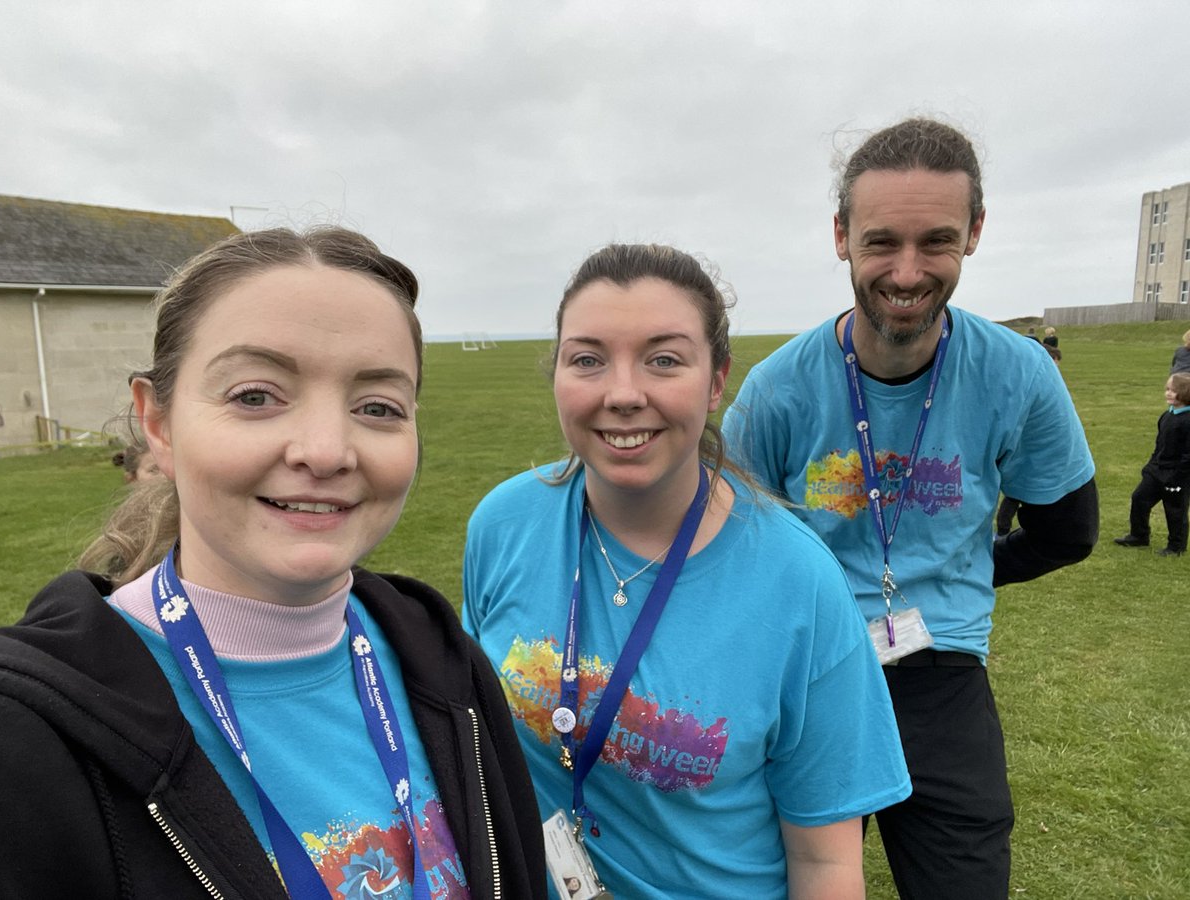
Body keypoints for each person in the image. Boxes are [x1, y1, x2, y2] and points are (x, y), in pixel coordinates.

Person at [0, 227, 544, 899]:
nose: (326, 450)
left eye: (377, 406)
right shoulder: (22, 741)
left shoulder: (444, 662)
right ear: (157, 423)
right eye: (255, 395)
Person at [723, 117, 1098, 899]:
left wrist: (962, 577)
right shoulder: (776, 392)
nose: (906, 270)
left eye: (936, 241)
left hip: (942, 672)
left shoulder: (1018, 375)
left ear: (976, 232)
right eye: (881, 241)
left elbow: (1069, 531)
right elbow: (731, 554)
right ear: (839, 235)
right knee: (790, 880)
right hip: (810, 672)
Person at [463, 244, 911, 899]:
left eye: (664, 359)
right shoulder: (503, 525)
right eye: (587, 359)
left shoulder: (798, 583)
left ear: (717, 378)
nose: (622, 393)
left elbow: (825, 865)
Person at [1113, 372, 1190, 557]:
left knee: (1175, 511)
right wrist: (1150, 466)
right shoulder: (1167, 415)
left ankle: (1176, 546)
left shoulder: (1187, 420)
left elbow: (1188, 456)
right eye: (1167, 389)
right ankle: (1139, 536)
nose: (1168, 393)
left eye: (1174, 390)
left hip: (1177, 475)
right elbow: (1160, 445)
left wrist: (1177, 477)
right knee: (1139, 498)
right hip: (1157, 471)